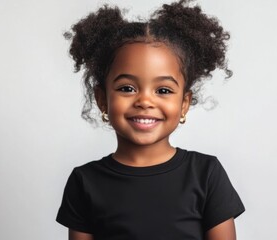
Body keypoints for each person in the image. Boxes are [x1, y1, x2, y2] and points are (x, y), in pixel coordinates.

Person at [56, 0, 245, 239]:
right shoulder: (85, 182)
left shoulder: (206, 174)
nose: (145, 101)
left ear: (184, 103)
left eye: (163, 90)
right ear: (102, 99)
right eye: (127, 88)